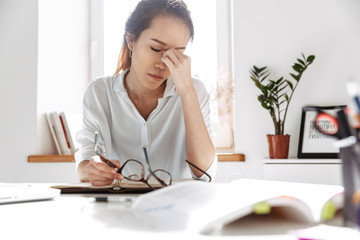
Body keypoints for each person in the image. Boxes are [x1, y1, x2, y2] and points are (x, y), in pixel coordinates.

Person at [75, 0, 217, 186]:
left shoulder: (195, 91)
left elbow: (204, 173)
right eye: (156, 49)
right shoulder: (99, 92)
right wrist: (92, 170)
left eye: (177, 54)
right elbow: (85, 163)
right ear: (131, 40)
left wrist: (187, 93)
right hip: (119, 208)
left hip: (178, 208)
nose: (163, 63)